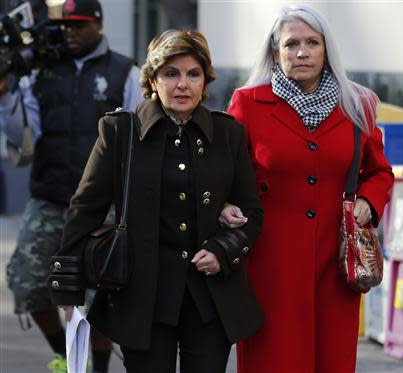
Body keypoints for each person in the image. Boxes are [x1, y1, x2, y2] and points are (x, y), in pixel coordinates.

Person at [48, 28, 265, 373]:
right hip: (141, 298)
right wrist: (67, 288)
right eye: (171, 73)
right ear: (152, 78)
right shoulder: (120, 131)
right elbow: (85, 208)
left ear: (205, 80)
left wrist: (223, 250)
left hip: (210, 299)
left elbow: (251, 212)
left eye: (193, 74)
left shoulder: (229, 133)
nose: (183, 84)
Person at [222, 5, 394, 373]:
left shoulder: (357, 104)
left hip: (336, 262)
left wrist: (368, 199)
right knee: (275, 360)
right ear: (275, 52)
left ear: (326, 49)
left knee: (333, 360)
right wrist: (224, 205)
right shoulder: (248, 103)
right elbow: (224, 171)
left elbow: (379, 171)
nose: (301, 52)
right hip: (270, 264)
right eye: (291, 44)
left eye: (312, 43)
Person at [0, 0, 142, 371]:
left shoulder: (125, 72)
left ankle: (94, 365)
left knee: (100, 295)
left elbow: (140, 140)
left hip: (102, 206)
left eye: (79, 26)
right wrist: (6, 92)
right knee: (26, 283)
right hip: (50, 197)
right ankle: (65, 356)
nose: (71, 33)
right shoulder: (43, 71)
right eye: (66, 27)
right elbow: (23, 140)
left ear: (98, 25)